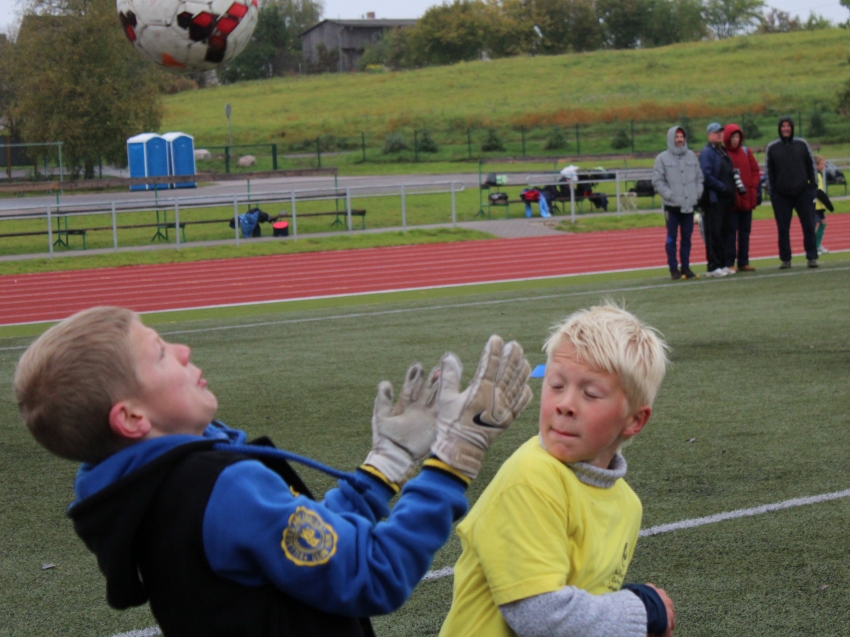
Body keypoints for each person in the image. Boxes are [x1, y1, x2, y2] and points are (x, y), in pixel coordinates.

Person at [14, 306, 532, 637]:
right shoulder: (220, 487)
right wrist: (454, 459)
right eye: (159, 353)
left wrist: (384, 468)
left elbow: (297, 554)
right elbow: (375, 574)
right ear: (131, 418)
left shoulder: (141, 492)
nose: (182, 349)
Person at [439, 304, 675, 637]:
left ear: (634, 420)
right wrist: (640, 611)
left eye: (590, 393)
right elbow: (538, 615)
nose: (565, 404)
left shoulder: (628, 505)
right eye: (556, 385)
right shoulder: (531, 476)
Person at [764, 116, 818, 269]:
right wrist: (773, 192)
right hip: (781, 195)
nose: (786, 129)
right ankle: (785, 259)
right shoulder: (772, 147)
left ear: (792, 128)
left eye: (788, 126)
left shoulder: (802, 144)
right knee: (783, 228)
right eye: (783, 126)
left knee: (808, 225)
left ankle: (812, 257)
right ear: (779, 129)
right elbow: (769, 171)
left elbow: (811, 165)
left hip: (803, 193)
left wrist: (812, 187)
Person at [652, 126, 705, 280]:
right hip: (672, 207)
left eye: (682, 136)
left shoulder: (691, 157)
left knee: (687, 238)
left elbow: (699, 178)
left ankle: (686, 267)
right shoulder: (662, 158)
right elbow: (657, 181)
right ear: (671, 139)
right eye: (677, 137)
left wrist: (697, 194)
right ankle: (673, 269)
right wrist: (670, 196)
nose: (679, 139)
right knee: (671, 238)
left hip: (688, 206)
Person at [698, 122, 737, 277]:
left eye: (721, 132)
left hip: (725, 199)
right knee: (714, 233)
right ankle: (713, 266)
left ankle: (722, 263)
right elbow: (706, 176)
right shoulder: (707, 153)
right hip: (713, 199)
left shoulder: (722, 151)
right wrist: (723, 187)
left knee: (724, 232)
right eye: (716, 132)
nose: (719, 134)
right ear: (709, 135)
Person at [722, 123, 760, 273]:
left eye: (737, 137)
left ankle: (743, 261)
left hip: (747, 199)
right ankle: (729, 262)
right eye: (732, 137)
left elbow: (755, 171)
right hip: (731, 200)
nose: (735, 140)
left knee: (745, 232)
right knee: (730, 232)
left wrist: (752, 187)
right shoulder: (723, 153)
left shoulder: (746, 152)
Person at [814, 155, 830, 255]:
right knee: (813, 225)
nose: (824, 166)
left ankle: (817, 245)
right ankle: (814, 246)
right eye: (822, 164)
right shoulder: (814, 175)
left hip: (819, 206)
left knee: (823, 223)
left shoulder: (819, 175)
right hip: (814, 205)